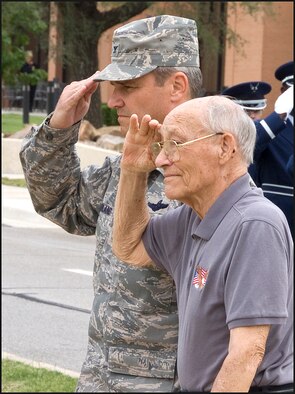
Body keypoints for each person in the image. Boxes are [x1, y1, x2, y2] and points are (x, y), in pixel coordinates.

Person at [19, 15, 203, 392]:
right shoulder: (127, 166)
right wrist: (58, 129)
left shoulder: (211, 174)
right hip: (101, 374)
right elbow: (64, 204)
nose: (113, 99)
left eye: (128, 86)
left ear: (177, 86)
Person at [112, 95, 293, 393]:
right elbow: (128, 247)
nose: (160, 159)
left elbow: (247, 354)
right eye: (161, 145)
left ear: (224, 146)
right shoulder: (193, 217)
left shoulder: (255, 224)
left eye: (176, 144)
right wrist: (132, 169)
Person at [248, 62, 294, 239]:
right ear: (284, 92)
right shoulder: (270, 129)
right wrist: (280, 113)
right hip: (276, 231)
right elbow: (247, 147)